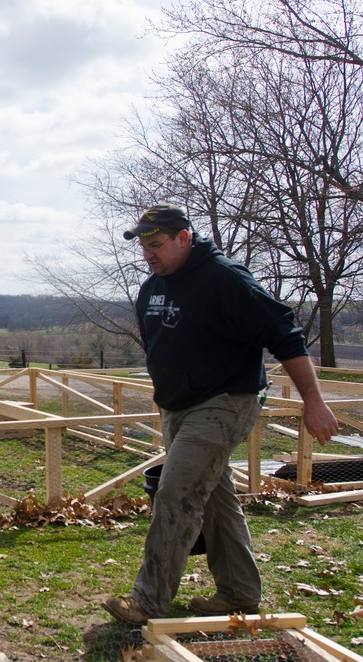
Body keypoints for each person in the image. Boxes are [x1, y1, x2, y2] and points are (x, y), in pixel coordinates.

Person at [102, 203, 339, 625]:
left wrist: (314, 401)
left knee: (178, 493)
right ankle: (240, 593)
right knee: (214, 499)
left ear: (184, 237)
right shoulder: (152, 287)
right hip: (178, 408)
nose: (149, 255)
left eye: (156, 245)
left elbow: (284, 333)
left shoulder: (225, 279)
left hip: (225, 402)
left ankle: (148, 600)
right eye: (143, 248)